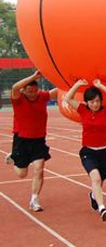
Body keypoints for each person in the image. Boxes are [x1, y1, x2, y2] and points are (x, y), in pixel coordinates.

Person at [64, 78, 106, 220]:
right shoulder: (82, 110)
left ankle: (94, 195)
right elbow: (68, 98)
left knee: (101, 181)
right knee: (96, 178)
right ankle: (102, 208)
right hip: (88, 151)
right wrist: (77, 85)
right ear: (87, 102)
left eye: (97, 101)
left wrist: (100, 86)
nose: (95, 104)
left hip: (104, 152)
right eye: (92, 102)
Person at [9, 71, 58, 211]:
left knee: (39, 169)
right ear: (24, 91)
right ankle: (13, 157)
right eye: (30, 91)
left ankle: (34, 199)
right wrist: (33, 77)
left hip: (38, 140)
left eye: (35, 91)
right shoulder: (18, 99)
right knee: (21, 174)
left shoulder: (41, 97)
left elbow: (58, 91)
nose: (33, 94)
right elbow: (14, 87)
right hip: (22, 140)